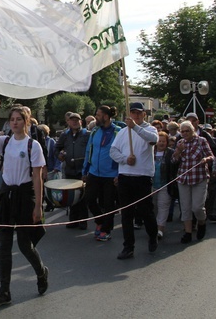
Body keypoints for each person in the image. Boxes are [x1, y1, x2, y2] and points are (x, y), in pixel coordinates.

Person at [0, 100, 48, 307]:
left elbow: (37, 178)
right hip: (7, 196)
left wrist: (38, 206)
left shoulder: (33, 145)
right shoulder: (6, 141)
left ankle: (41, 271)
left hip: (24, 197)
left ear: (26, 121)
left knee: (24, 245)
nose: (14, 122)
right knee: (4, 245)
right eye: (11, 119)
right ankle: (4, 291)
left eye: (18, 119)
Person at [109, 102, 159, 259]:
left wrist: (135, 128)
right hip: (125, 176)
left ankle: (152, 235)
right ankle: (128, 246)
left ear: (144, 114)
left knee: (146, 211)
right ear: (129, 114)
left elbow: (153, 140)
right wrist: (124, 159)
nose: (136, 115)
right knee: (126, 214)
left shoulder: (150, 129)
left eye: (139, 113)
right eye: (133, 113)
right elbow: (113, 150)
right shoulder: (123, 132)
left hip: (142, 176)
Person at [81, 105, 121, 242]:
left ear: (105, 116)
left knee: (109, 204)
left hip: (110, 174)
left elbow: (122, 153)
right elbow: (88, 151)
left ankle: (105, 230)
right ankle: (101, 221)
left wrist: (119, 174)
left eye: (98, 115)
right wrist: (85, 170)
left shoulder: (118, 132)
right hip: (94, 172)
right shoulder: (94, 131)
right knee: (89, 199)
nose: (96, 117)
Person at [172, 120, 214, 243]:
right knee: (185, 208)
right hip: (183, 178)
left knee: (197, 207)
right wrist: (178, 151)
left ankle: (201, 223)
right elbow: (173, 161)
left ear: (192, 130)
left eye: (187, 131)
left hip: (199, 177)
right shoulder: (180, 142)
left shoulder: (202, 141)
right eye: (182, 131)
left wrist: (206, 159)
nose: (185, 133)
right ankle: (188, 232)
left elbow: (212, 156)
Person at [55, 112, 90, 229]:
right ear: (68, 122)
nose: (74, 122)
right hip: (70, 169)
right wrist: (59, 155)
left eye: (77, 120)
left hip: (82, 170)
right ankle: (73, 220)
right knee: (72, 197)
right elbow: (57, 148)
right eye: (72, 120)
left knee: (82, 196)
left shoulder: (87, 134)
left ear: (81, 122)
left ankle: (83, 221)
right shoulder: (65, 135)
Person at [153, 131, 177, 239]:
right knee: (153, 207)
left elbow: (175, 163)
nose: (161, 143)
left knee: (163, 207)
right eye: (159, 141)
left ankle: (160, 230)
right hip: (151, 185)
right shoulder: (150, 152)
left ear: (167, 142)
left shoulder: (171, 153)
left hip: (165, 185)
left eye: (164, 141)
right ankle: (153, 227)